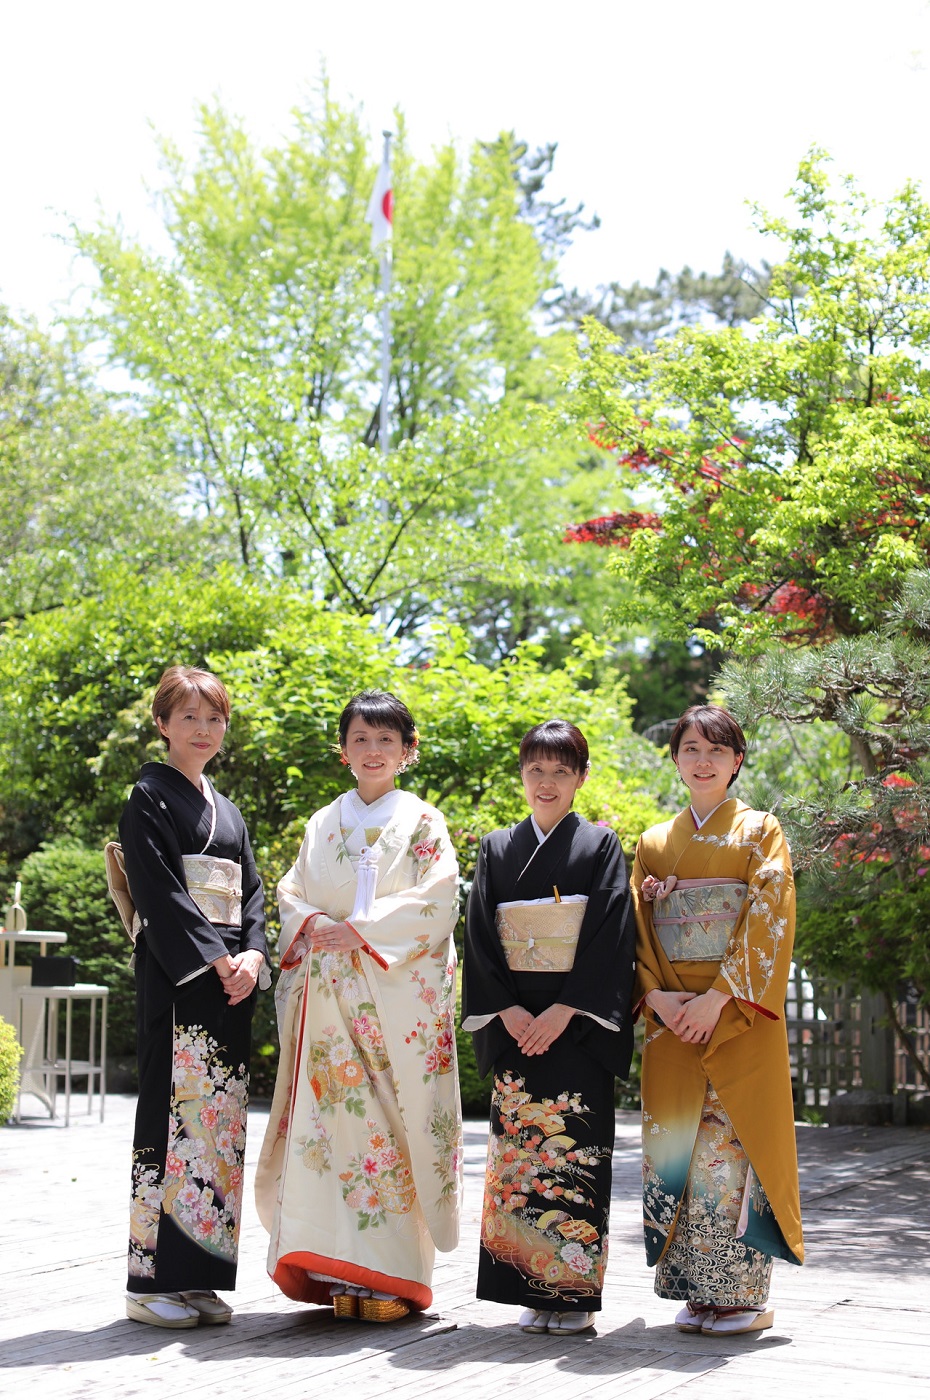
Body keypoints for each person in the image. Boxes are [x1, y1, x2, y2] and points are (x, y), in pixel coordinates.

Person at [255, 691, 462, 1323]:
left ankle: (394, 1275)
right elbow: (291, 891)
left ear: (408, 749)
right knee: (333, 1126)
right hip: (327, 1004)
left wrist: (364, 934)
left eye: (386, 740)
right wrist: (315, 920)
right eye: (361, 739)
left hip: (392, 1003)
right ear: (342, 750)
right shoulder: (323, 822)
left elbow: (439, 899)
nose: (373, 751)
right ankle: (330, 1266)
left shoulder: (424, 822)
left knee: (393, 1126)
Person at [631, 704, 804, 1337]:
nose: (702, 761)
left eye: (716, 750)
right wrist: (657, 998)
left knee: (734, 1149)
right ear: (674, 758)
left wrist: (720, 998)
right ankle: (695, 1290)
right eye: (690, 749)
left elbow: (770, 912)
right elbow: (638, 933)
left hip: (737, 1018)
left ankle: (742, 1296)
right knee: (680, 1148)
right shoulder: (653, 843)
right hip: (674, 1018)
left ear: (736, 761)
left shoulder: (761, 832)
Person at [462, 720, 635, 1337]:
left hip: (577, 1029)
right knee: (520, 1161)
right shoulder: (496, 847)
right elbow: (481, 934)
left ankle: (571, 1295)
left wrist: (564, 1011)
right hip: (516, 1027)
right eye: (536, 769)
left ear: (581, 779)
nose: (547, 782)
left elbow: (612, 936)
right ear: (522, 774)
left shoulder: (602, 847)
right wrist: (508, 1011)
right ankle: (531, 1288)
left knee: (574, 1156)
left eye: (561, 771)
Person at [119, 665, 270, 1329]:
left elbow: (254, 892)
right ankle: (149, 1280)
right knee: (169, 1118)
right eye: (188, 718)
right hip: (182, 983)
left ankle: (200, 1274)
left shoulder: (229, 809)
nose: (203, 730)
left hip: (230, 984)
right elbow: (159, 892)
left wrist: (254, 955)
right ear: (161, 724)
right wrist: (215, 960)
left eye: (214, 719)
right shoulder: (147, 797)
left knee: (218, 1126)